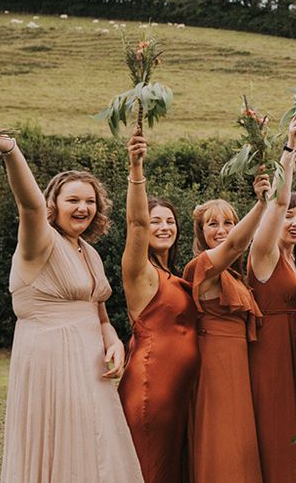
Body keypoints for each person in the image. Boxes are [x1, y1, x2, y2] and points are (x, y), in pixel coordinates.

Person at [0, 126, 143, 483]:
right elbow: (28, 204)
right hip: (50, 359)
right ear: (54, 205)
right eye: (73, 200)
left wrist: (113, 341)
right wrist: (10, 150)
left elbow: (100, 313)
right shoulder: (38, 244)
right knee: (62, 441)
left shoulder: (90, 253)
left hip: (92, 363)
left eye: (90, 201)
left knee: (98, 444)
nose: (83, 207)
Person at [117, 133, 199, 483]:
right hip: (152, 386)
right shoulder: (140, 272)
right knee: (150, 468)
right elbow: (135, 223)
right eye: (156, 221)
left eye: (170, 221)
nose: (163, 227)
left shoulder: (173, 273)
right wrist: (136, 168)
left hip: (179, 391)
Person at [182, 176, 270, 483]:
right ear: (201, 232)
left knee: (241, 439)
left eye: (229, 222)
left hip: (238, 364)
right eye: (212, 224)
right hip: (214, 362)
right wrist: (262, 203)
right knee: (222, 440)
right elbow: (235, 245)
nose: (222, 230)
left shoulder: (236, 276)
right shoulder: (200, 268)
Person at [248, 116, 296, 483]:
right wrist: (288, 151)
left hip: (295, 354)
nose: (295, 221)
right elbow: (275, 205)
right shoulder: (265, 253)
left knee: (292, 436)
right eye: (290, 215)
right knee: (275, 437)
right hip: (270, 354)